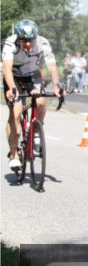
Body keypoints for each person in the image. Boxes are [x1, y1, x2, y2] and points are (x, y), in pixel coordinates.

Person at [3, 20, 64, 173]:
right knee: (16, 112)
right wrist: (12, 88)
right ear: (18, 38)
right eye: (24, 41)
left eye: (31, 40)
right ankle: (14, 154)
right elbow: (7, 69)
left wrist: (56, 86)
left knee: (41, 102)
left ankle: (36, 132)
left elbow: (52, 66)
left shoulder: (43, 43)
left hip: (33, 76)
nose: (28, 44)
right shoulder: (10, 44)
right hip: (14, 78)